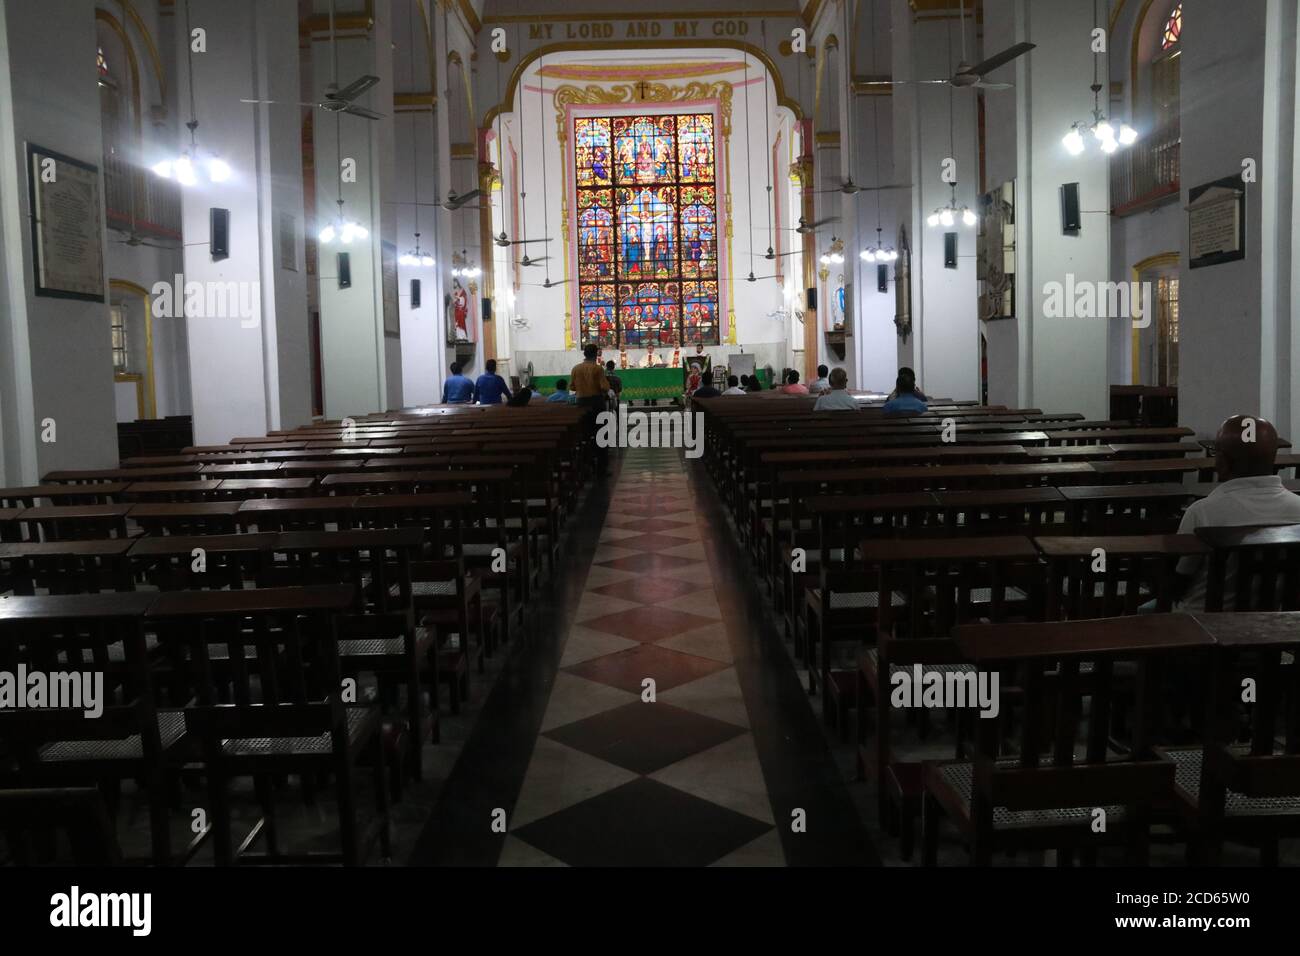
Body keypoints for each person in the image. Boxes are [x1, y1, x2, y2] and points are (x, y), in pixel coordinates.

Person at [1171, 415, 1300, 610]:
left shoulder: (1202, 512)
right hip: (1277, 623)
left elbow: (1180, 578)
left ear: (1222, 462)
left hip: (1204, 625)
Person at [571, 343, 613, 477]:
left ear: (584, 354)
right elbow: (604, 387)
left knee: (585, 434)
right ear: (596, 354)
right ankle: (601, 469)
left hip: (581, 403)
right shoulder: (598, 369)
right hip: (596, 403)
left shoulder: (576, 368)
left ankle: (585, 468)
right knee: (601, 436)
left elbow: (572, 387)